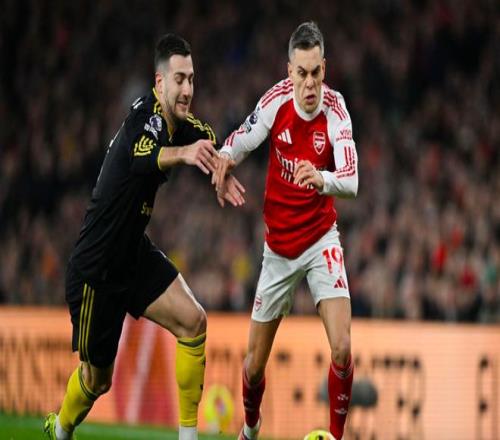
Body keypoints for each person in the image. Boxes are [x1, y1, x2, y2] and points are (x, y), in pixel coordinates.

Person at [44, 33, 244, 440]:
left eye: (191, 79)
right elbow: (143, 157)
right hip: (97, 268)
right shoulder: (143, 119)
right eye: (179, 80)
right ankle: (60, 429)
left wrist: (222, 168)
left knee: (194, 322)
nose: (187, 89)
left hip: (132, 255)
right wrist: (184, 154)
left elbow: (211, 141)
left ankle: (188, 437)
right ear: (159, 82)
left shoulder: (181, 124)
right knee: (97, 381)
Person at [213, 22, 358, 440]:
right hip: (278, 249)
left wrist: (322, 178)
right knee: (254, 365)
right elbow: (241, 140)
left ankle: (335, 437)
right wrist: (223, 159)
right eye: (302, 73)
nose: (310, 83)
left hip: (320, 239)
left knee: (342, 347)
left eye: (316, 72)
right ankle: (250, 428)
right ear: (289, 71)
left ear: (324, 68)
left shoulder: (336, 109)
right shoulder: (275, 101)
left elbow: (351, 180)